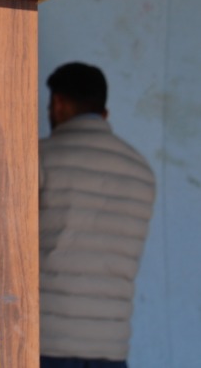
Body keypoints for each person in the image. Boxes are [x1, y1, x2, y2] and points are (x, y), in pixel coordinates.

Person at [39, 62, 156, 368]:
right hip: (111, 347)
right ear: (104, 112)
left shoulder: (40, 158)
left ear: (58, 103)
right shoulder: (141, 171)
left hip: (46, 342)